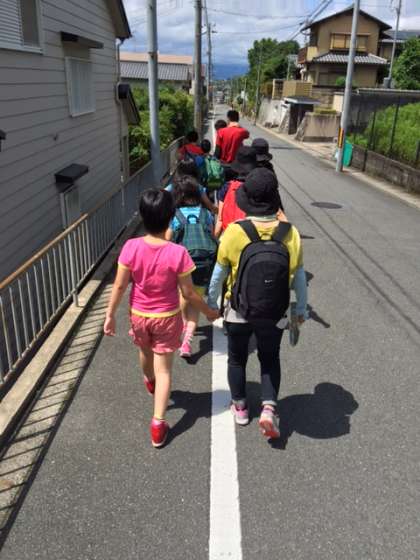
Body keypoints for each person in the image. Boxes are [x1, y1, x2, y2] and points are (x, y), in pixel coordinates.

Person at [104, 188, 219, 448]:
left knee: (144, 352)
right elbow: (188, 293)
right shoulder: (177, 253)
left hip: (139, 315)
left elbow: (120, 285)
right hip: (167, 316)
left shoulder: (131, 247)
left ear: (143, 216)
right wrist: (209, 312)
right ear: (170, 217)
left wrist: (110, 315)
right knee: (164, 369)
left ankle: (149, 381)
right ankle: (158, 424)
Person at [207, 168, 307, 441]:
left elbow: (218, 275)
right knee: (270, 358)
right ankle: (269, 409)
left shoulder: (235, 232)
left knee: (237, 358)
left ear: (247, 200)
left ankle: (240, 407)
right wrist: (300, 310)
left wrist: (212, 303)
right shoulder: (290, 233)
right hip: (275, 312)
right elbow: (299, 278)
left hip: (238, 310)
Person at [168, 175, 216, 357]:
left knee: (183, 296)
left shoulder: (175, 215)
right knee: (195, 301)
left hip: (182, 262)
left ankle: (181, 325)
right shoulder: (206, 213)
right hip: (204, 262)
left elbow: (169, 240)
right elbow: (212, 235)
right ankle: (187, 342)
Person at [214, 146, 258, 237]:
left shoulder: (227, 187)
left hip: (229, 235)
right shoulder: (257, 187)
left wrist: (215, 239)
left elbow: (220, 219)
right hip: (250, 236)